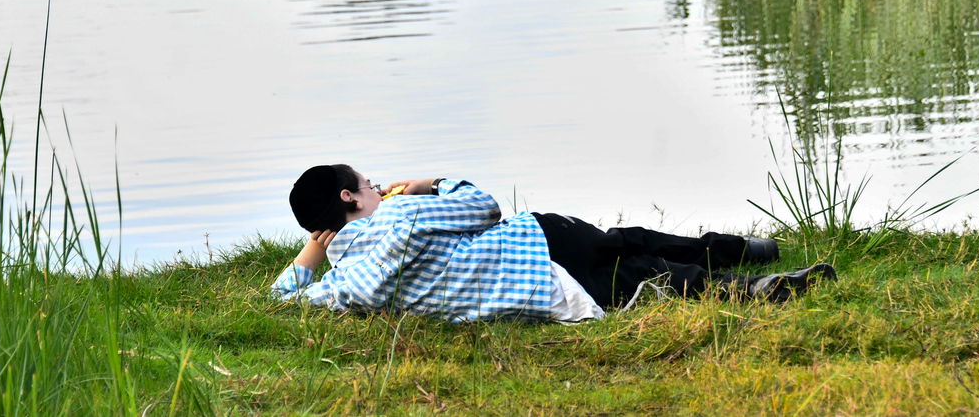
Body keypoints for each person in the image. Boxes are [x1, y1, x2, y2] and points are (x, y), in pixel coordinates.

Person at [271, 166, 836, 324]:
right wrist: (431, 182)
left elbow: (280, 301)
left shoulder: (346, 284)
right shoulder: (401, 213)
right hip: (544, 243)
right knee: (631, 247)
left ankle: (759, 284)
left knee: (643, 270)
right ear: (350, 197)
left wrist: (310, 257)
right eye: (367, 183)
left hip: (541, 278)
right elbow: (483, 206)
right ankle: (748, 256)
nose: (377, 186)